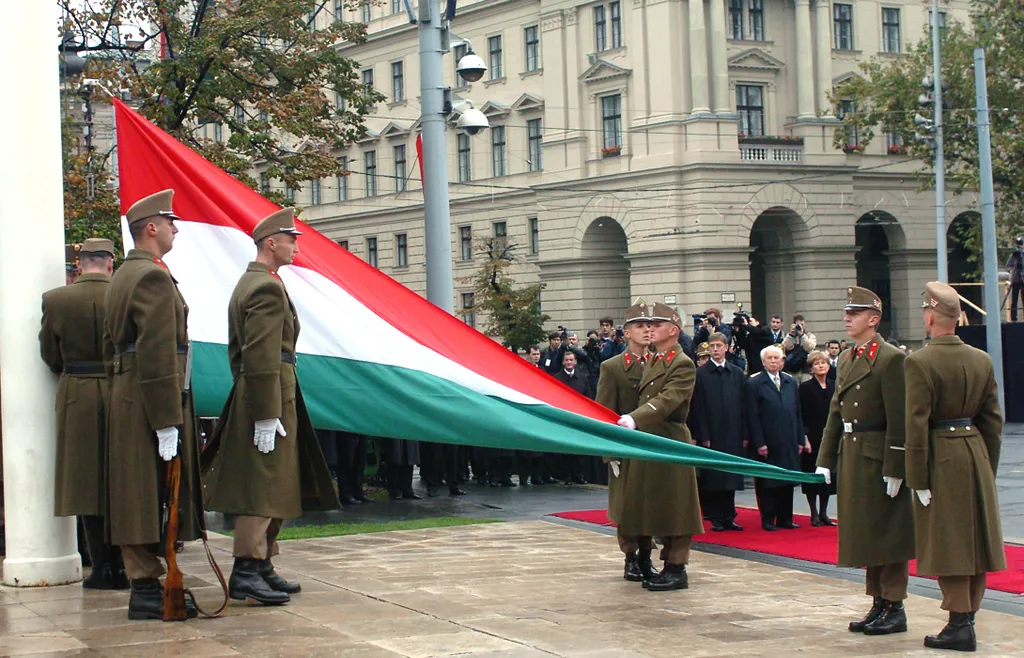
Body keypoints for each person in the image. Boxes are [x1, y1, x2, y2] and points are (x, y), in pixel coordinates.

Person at [201, 207, 339, 606]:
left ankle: (262, 564)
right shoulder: (263, 287)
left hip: (267, 388)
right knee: (262, 483)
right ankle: (246, 568)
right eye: (291, 239)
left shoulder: (259, 282)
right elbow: (259, 353)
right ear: (271, 243)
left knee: (275, 478)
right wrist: (265, 411)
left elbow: (241, 355)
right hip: (268, 391)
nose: (296, 246)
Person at [104, 190, 204, 620]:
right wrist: (167, 420)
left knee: (135, 489)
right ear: (151, 228)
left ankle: (145, 581)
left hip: (130, 392)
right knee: (148, 492)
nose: (175, 228)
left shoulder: (126, 273)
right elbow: (159, 351)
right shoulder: (152, 277)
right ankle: (145, 585)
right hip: (151, 397)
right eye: (170, 222)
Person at [905, 282, 1005, 652]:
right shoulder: (982, 359)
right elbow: (992, 420)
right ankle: (968, 616)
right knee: (974, 539)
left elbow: (916, 422)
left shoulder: (919, 361)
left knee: (948, 541)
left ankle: (959, 622)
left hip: (939, 454)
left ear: (930, 317)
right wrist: (986, 466)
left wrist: (916, 475)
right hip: (974, 451)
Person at [816, 286, 915, 636]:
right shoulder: (846, 358)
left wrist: (896, 466)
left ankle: (895, 604)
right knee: (867, 534)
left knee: (887, 532)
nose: (847, 317)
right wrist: (825, 458)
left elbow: (899, 417)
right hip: (853, 453)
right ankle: (878, 602)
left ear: (873, 319)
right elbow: (835, 412)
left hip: (877, 454)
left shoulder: (890, 359)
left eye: (854, 313)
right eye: (847, 311)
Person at [39, 238, 127, 590]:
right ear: (110, 264)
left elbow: (49, 354)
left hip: (76, 390)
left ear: (79, 266)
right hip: (120, 387)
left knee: (85, 480)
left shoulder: (56, 299)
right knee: (122, 478)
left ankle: (101, 566)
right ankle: (123, 565)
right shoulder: (125, 293)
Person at [616, 304, 704, 591]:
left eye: (657, 324)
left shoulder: (682, 362)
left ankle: (676, 567)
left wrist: (634, 418)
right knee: (651, 504)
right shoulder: (655, 359)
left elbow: (668, 399)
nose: (650, 328)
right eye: (648, 324)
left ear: (673, 330)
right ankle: (649, 562)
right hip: (650, 438)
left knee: (676, 506)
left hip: (669, 438)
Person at [596, 301, 656, 582]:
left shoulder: (660, 363)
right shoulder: (613, 367)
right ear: (627, 332)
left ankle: (647, 556)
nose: (647, 331)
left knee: (651, 504)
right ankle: (631, 557)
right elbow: (604, 412)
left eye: (650, 326)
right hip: (627, 447)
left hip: (653, 444)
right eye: (641, 326)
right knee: (628, 507)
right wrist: (611, 453)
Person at [745, 345, 806, 532]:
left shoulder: (790, 382)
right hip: (767, 441)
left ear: (782, 361)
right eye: (769, 358)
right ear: (763, 362)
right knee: (768, 483)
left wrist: (800, 439)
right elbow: (752, 416)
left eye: (776, 358)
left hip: (788, 439)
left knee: (787, 480)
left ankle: (786, 518)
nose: (773, 361)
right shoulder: (754, 383)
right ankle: (768, 518)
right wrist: (760, 442)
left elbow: (797, 413)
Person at [690, 333, 746, 532]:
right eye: (712, 346)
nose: (715, 349)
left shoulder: (737, 373)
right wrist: (702, 434)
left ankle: (729, 515)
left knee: (730, 474)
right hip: (711, 431)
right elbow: (698, 407)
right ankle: (715, 516)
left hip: (732, 431)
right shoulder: (701, 374)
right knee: (713, 476)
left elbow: (743, 405)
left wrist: (744, 433)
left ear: (727, 348)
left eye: (719, 346)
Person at [797, 351, 836, 526]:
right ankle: (813, 512)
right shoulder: (805, 388)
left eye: (823, 363)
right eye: (817, 363)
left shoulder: (834, 385)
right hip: (812, 435)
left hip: (830, 435)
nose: (821, 366)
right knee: (812, 473)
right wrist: (804, 437)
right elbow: (801, 414)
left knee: (828, 475)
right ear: (811, 368)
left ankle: (824, 512)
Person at [1006, 236, 1024, 321]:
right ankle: (1013, 318)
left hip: (1023, 279)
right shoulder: (1014, 255)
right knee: (1014, 300)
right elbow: (1008, 267)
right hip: (1016, 279)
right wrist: (1014, 268)